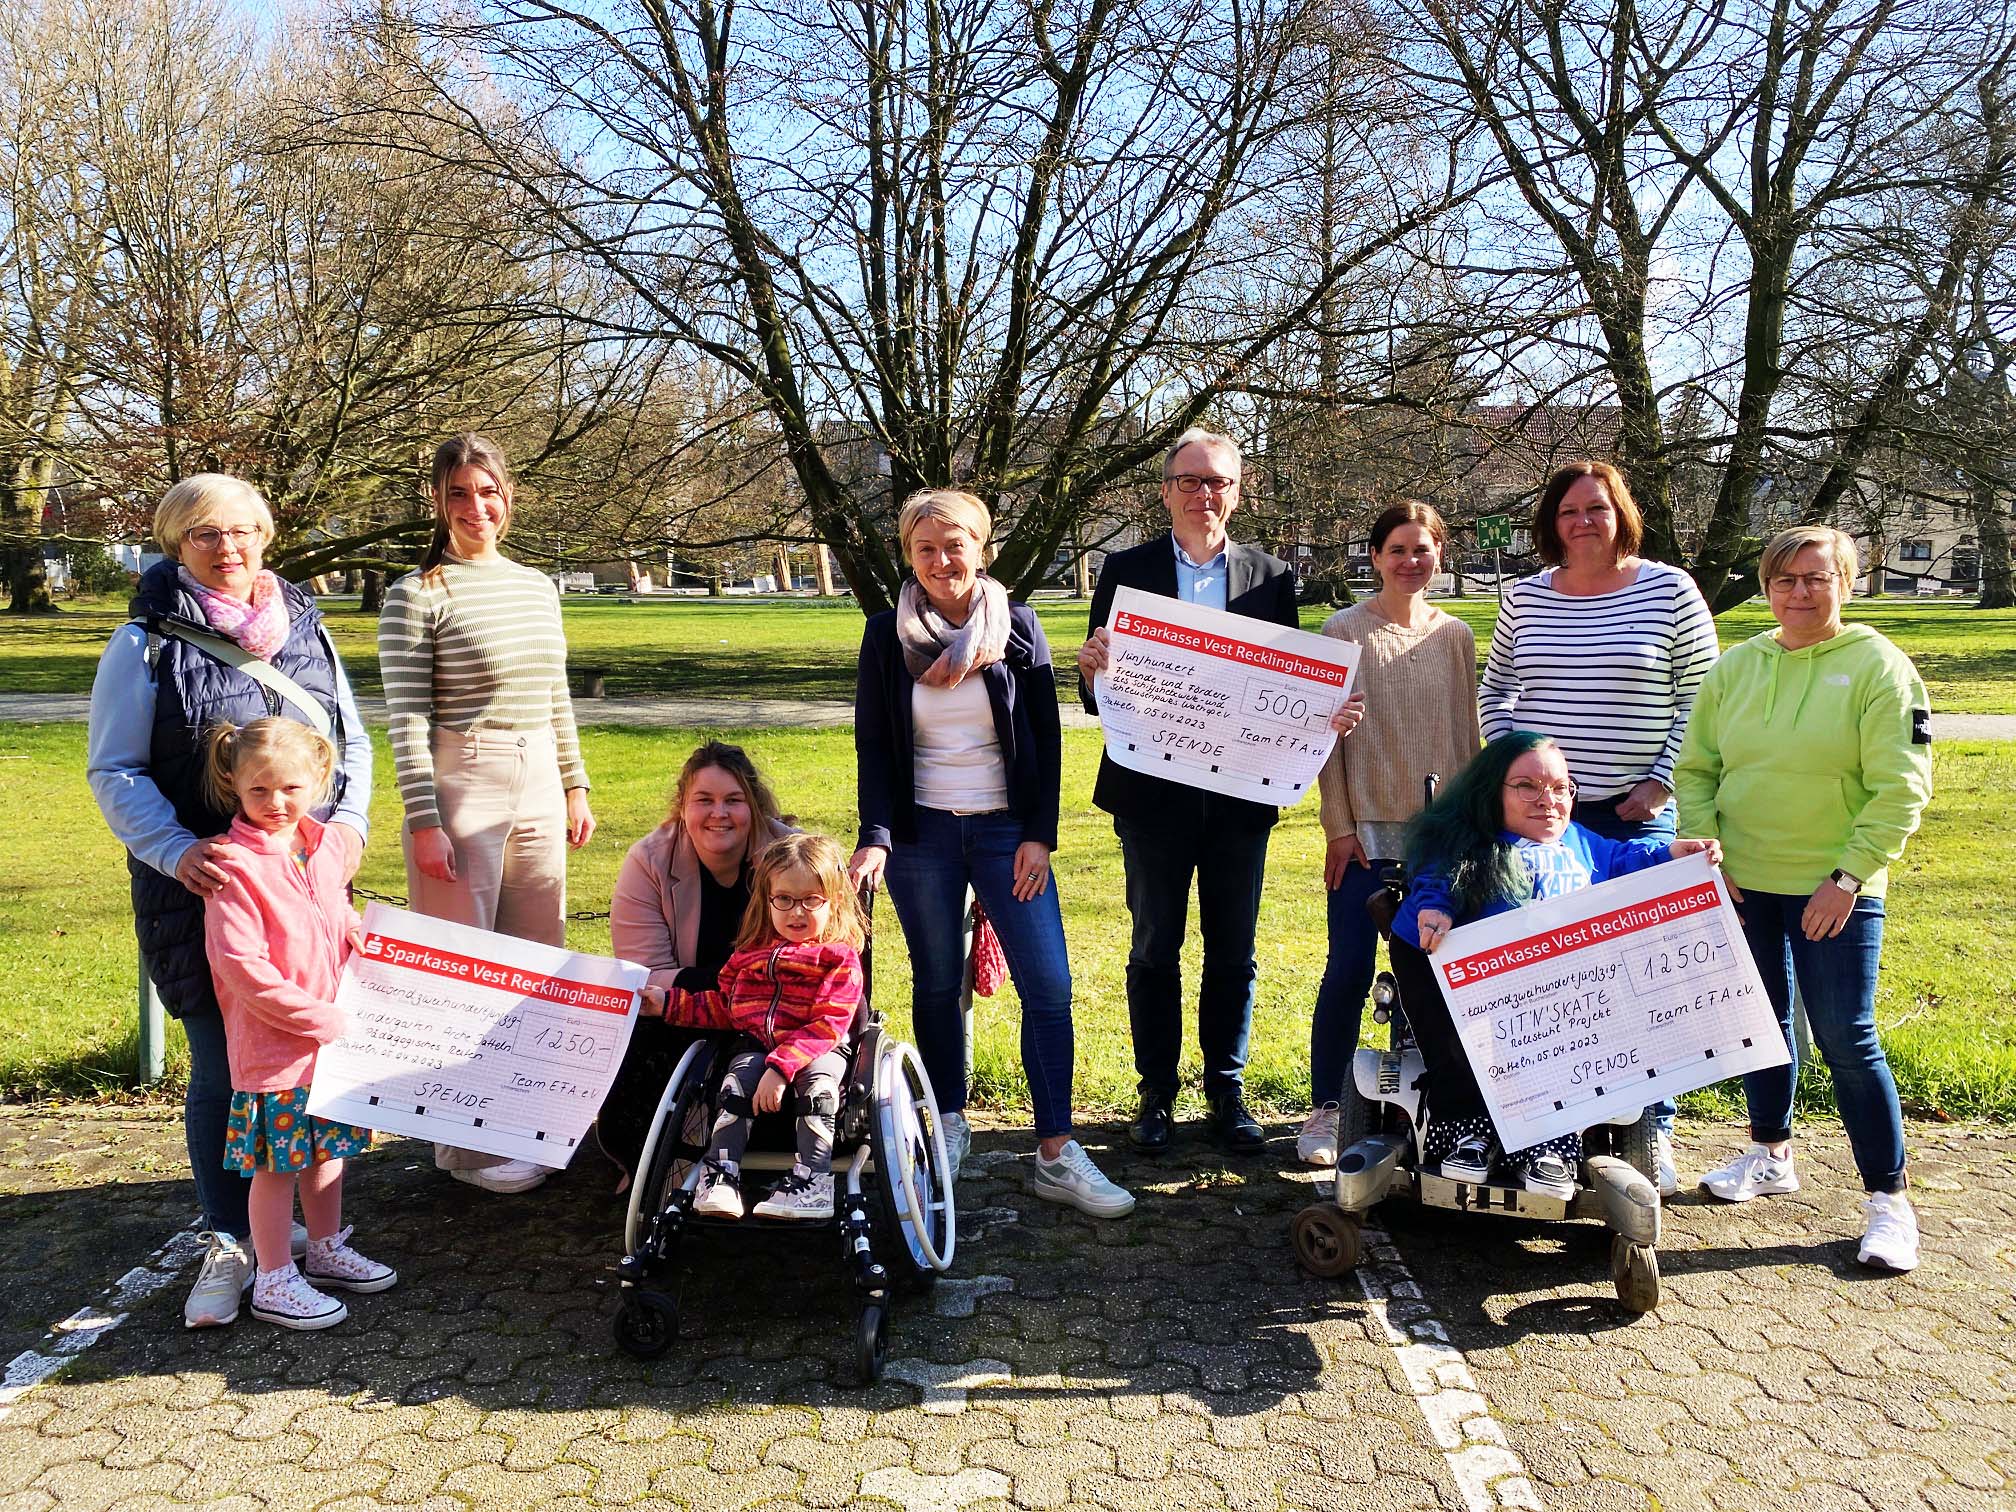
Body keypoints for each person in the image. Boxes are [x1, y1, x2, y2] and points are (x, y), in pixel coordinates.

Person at [86, 473, 372, 1330]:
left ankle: (308, 1241)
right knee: (224, 1064)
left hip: (311, 884)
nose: (230, 547)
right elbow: (115, 770)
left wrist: (349, 827)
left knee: (311, 1069)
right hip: (205, 889)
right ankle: (231, 1239)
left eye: (245, 530)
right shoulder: (143, 645)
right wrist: (178, 853)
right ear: (177, 542)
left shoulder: (309, 633)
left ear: (267, 535)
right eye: (208, 533)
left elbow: (348, 742)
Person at [851, 488, 1132, 1217]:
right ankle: (947, 1123)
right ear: (908, 555)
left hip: (1009, 833)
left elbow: (1044, 737)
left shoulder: (1021, 628)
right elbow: (875, 746)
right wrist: (874, 838)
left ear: (983, 547)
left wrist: (1040, 834)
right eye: (926, 548)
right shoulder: (887, 635)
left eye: (956, 545)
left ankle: (1055, 1151)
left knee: (1050, 984)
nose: (943, 560)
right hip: (921, 838)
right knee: (937, 981)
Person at [1077, 428, 1359, 1154]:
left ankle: (1226, 1093)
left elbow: (1287, 689)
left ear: (1239, 491)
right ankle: (1156, 1093)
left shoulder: (1269, 576)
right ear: (1166, 490)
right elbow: (1099, 692)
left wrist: (1322, 717)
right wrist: (1091, 668)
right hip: (1151, 799)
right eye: (1190, 481)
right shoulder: (1125, 570)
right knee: (1154, 948)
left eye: (1219, 482)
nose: (1205, 494)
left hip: (1239, 800)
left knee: (1233, 950)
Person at [1675, 526, 1933, 1272]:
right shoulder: (1737, 667)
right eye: (1785, 579)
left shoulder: (1880, 667)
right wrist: (1704, 846)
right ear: (1767, 586)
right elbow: (1696, 768)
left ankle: (1888, 1202)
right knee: (1759, 1024)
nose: (1799, 591)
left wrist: (1847, 876)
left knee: (1846, 1038)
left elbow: (1902, 788)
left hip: (1835, 889)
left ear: (1846, 583)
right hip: (1744, 882)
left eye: (1816, 578)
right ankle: (1768, 1154)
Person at [1477, 460, 1719, 1193]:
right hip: (1544, 819)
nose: (1584, 521)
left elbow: (1702, 698)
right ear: (1551, 522)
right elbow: (1496, 689)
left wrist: (1660, 779)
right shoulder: (1525, 598)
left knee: (1643, 974)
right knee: (1548, 968)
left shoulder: (1669, 589)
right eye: (1569, 510)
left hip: (1634, 812)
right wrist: (1512, 767)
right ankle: (1544, 1116)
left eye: (1598, 508)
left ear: (1622, 515)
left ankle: (1654, 1128)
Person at [378, 433, 597, 1195]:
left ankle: (530, 1123)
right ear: (438, 503)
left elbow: (557, 692)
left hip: (538, 772)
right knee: (462, 969)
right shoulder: (417, 594)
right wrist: (422, 817)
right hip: (459, 779)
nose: (478, 507)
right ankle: (463, 1149)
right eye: (460, 493)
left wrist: (575, 783)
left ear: (509, 497)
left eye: (489, 490)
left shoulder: (538, 586)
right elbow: (404, 715)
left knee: (538, 962)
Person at [1392, 733, 1722, 1197]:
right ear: (1492, 793)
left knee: (1562, 1044)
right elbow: (1435, 879)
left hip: (1549, 989)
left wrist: (1671, 854)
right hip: (1458, 975)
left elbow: (1625, 859)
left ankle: (1548, 1139)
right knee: (1460, 1050)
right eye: (1527, 786)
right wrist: (1435, 909)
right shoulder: (1467, 841)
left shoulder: (1580, 843)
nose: (1548, 801)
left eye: (1561, 788)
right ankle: (1465, 1132)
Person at [199, 718, 395, 1329]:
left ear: (319, 778)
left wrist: (362, 941)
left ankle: (329, 1247)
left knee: (329, 1153)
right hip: (276, 1051)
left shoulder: (325, 847)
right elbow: (243, 969)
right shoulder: (232, 868)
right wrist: (322, 1018)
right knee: (278, 1166)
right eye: (259, 791)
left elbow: (336, 910)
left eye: (290, 788)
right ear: (234, 784)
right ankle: (275, 1278)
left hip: (331, 1045)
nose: (276, 803)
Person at [1302, 502, 1480, 1166]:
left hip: (1438, 839)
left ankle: (1417, 1106)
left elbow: (1467, 736)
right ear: (1375, 557)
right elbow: (1327, 744)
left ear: (1440, 554)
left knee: (1424, 978)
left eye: (1423, 549)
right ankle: (1326, 1108)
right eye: (1397, 550)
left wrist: (1469, 832)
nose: (1411, 562)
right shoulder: (1344, 630)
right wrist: (1339, 827)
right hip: (1365, 836)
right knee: (1347, 970)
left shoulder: (1455, 636)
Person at [601, 742, 797, 1182]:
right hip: (687, 1008)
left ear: (754, 803)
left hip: (774, 1012)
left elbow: (820, 957)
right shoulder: (648, 860)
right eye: (703, 801)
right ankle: (654, 1162)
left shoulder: (791, 854)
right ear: (682, 807)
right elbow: (644, 973)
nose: (719, 814)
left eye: (733, 800)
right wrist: (736, 982)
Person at [645, 834, 866, 1221]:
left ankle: (812, 1182)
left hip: (820, 1051)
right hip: (756, 1049)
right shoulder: (748, 957)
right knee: (736, 1080)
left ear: (834, 903)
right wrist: (668, 1003)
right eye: (784, 899)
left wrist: (781, 1068)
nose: (797, 912)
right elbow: (725, 1008)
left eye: (811, 900)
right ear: (767, 901)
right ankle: (720, 1175)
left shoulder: (839, 959)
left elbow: (829, 1023)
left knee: (818, 1085)